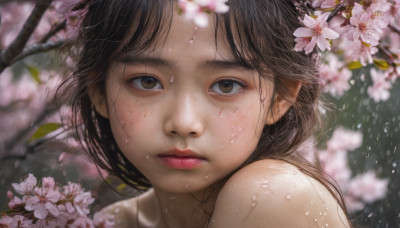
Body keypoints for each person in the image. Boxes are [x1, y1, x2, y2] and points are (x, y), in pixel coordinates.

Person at [63, 0, 353, 227]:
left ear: (281, 97)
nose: (183, 123)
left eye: (226, 85)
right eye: (147, 82)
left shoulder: (271, 196)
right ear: (98, 89)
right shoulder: (113, 221)